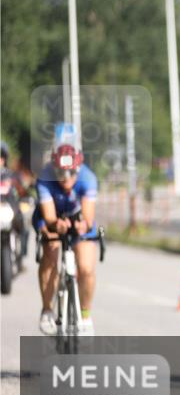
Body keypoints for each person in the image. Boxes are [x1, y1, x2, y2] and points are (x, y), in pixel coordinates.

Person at [34, 142, 100, 336]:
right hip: (52, 218)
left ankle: (85, 316)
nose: (66, 178)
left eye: (71, 173)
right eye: (60, 173)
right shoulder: (45, 179)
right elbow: (48, 216)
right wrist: (55, 226)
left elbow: (88, 217)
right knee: (51, 255)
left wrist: (82, 226)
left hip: (78, 220)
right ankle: (47, 310)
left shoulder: (88, 178)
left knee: (87, 268)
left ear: (78, 169)